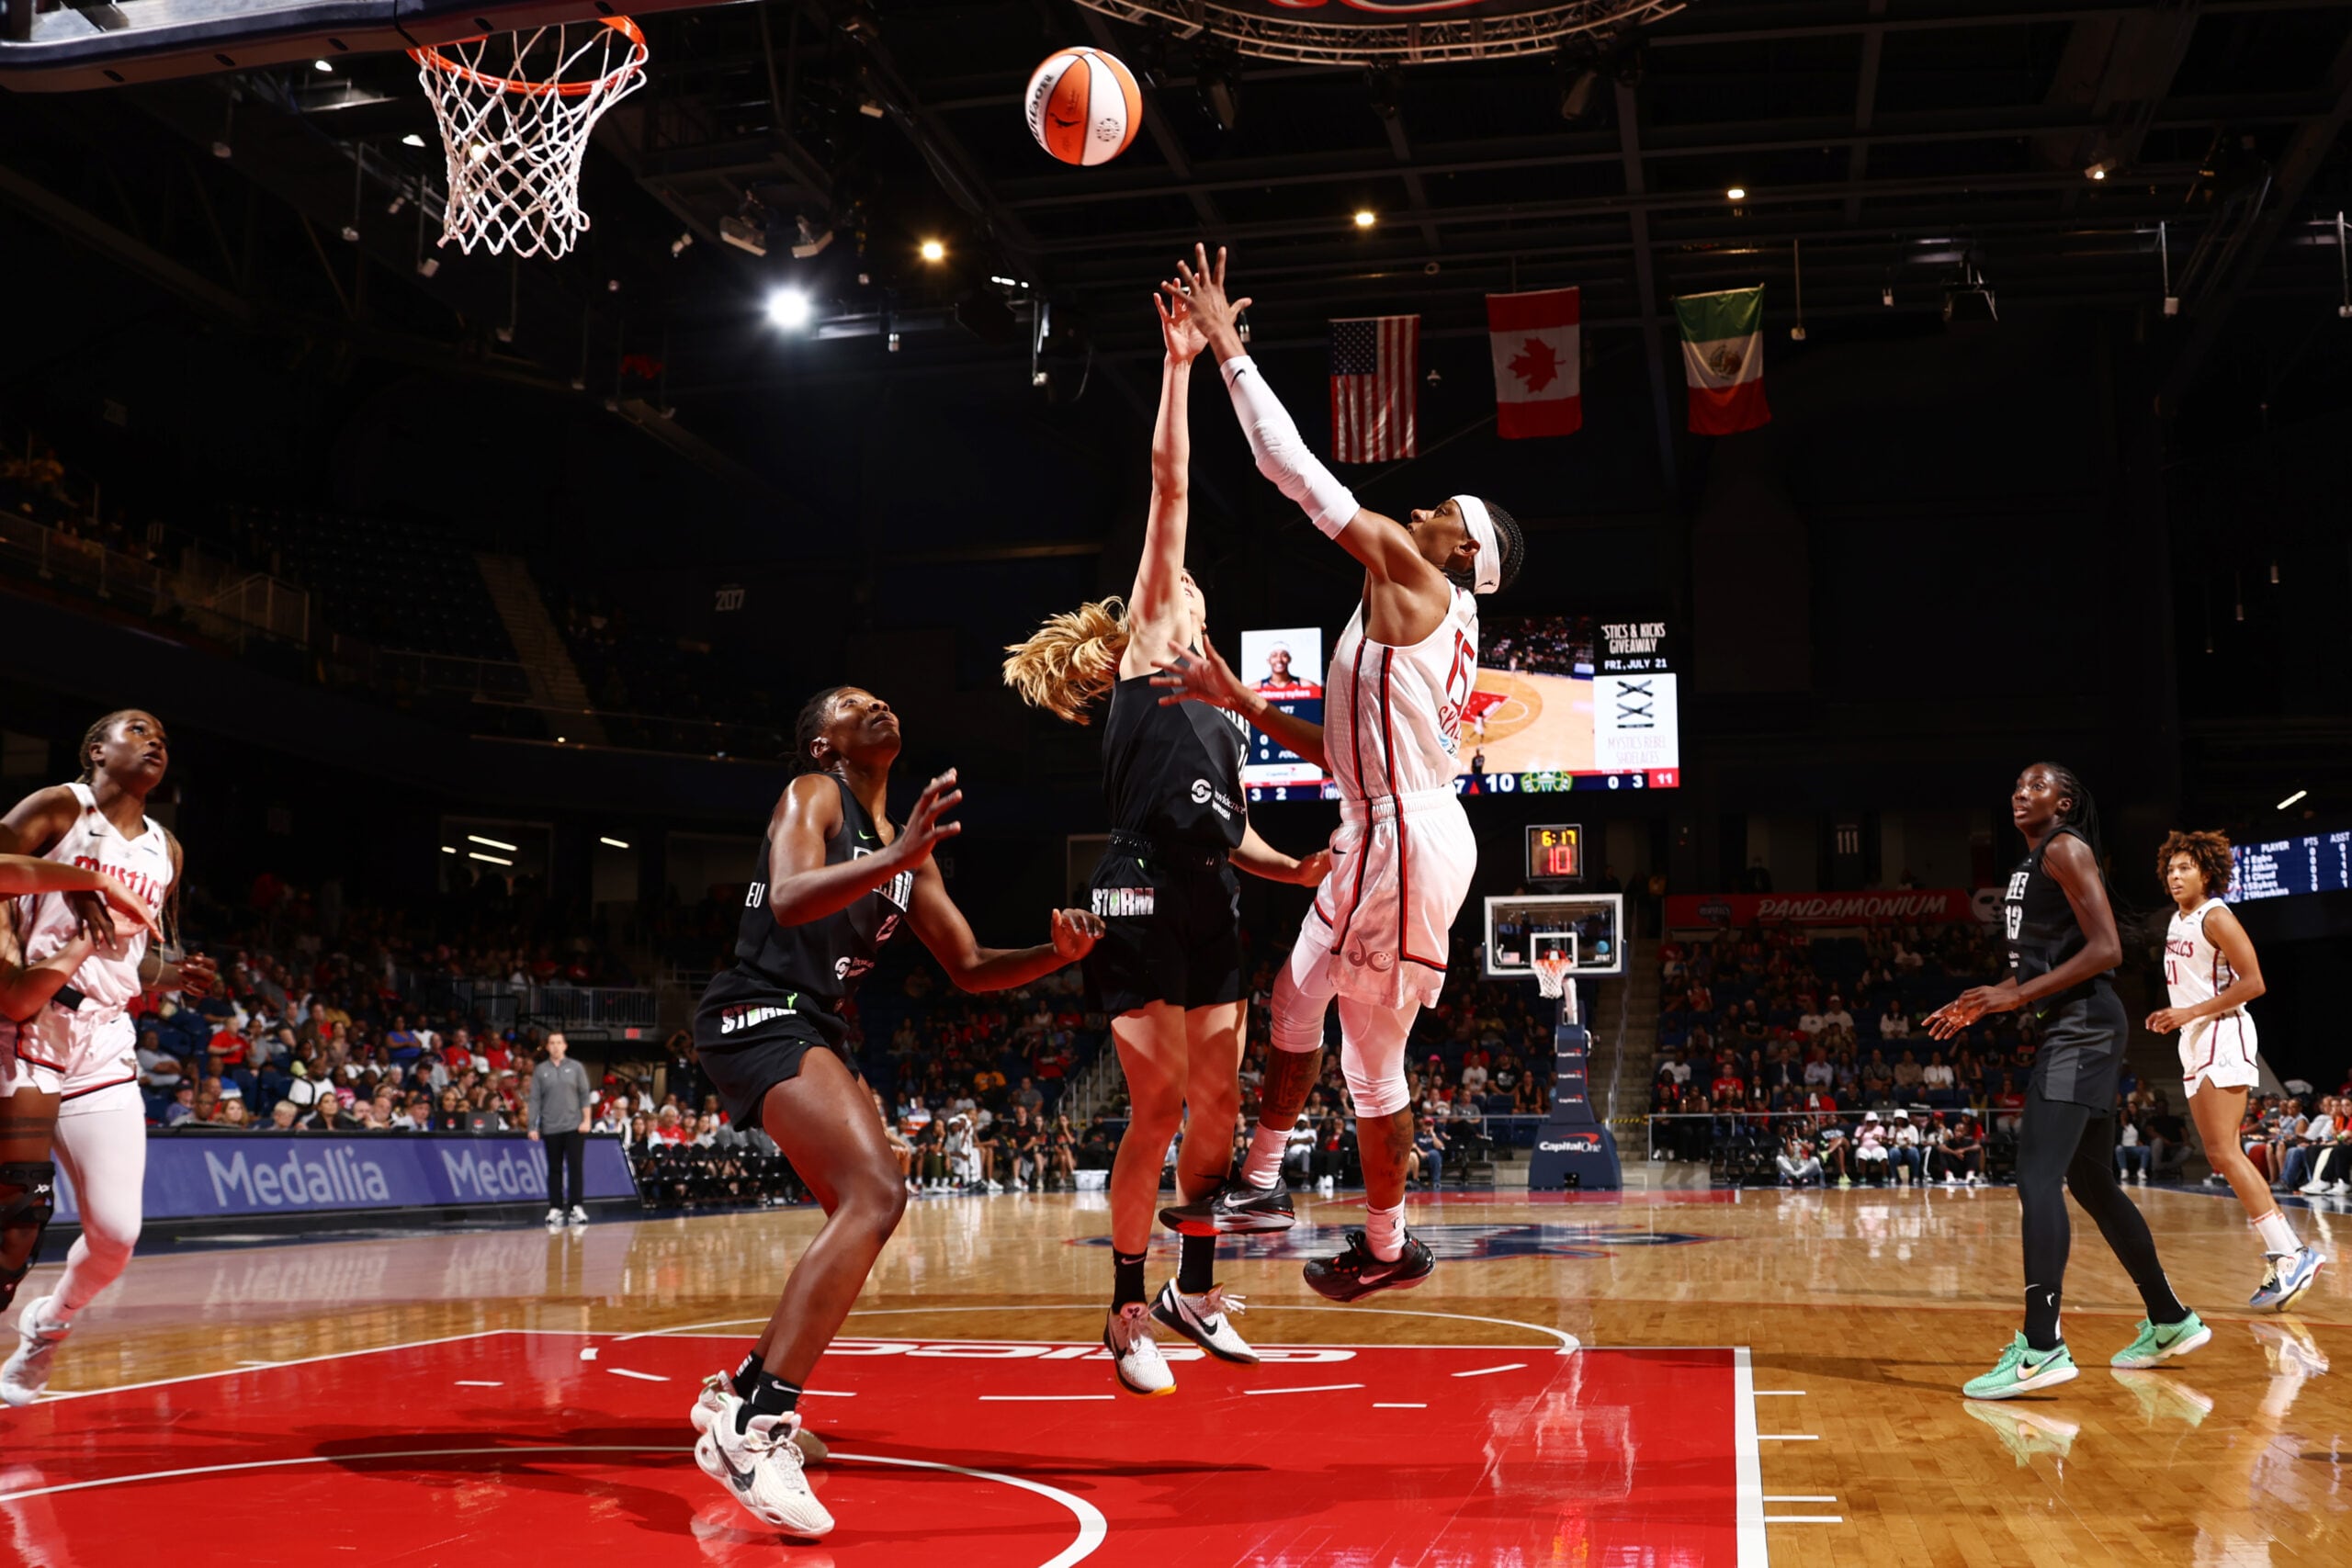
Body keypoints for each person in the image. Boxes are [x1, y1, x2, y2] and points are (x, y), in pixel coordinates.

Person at [1151, 245, 1524, 1304]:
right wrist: (1247, 706)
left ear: (1461, 552)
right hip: (1384, 821)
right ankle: (1271, 1183)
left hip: (1406, 836)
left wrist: (1225, 348)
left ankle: (1384, 1241)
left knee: (1367, 1055)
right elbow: (1351, 749)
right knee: (1294, 997)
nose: (1433, 509)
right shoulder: (1411, 613)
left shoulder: (1410, 576)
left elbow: (1293, 472)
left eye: (1451, 512)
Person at [1001, 282, 1325, 1395]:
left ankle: (1196, 1285)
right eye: (1178, 579)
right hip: (1135, 887)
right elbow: (1170, 484)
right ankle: (1125, 1309)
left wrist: (1301, 868)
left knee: (1222, 1108)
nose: (1189, 582)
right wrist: (1183, 364)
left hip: (1208, 892)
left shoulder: (1221, 713)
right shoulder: (1150, 645)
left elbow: (1236, 838)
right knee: (1154, 1107)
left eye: (1188, 582)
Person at [684, 685, 1102, 1538]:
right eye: (849, 704)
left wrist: (1052, 956)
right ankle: (753, 1430)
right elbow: (796, 894)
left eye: (879, 698)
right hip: (757, 1008)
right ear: (821, 746)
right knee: (877, 1194)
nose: (874, 706)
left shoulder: (906, 853)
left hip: (815, 1020)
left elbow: (974, 963)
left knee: (861, 1202)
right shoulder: (813, 796)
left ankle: (743, 1386)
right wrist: (899, 854)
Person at [1928, 763, 2205, 1400]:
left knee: (2036, 1175)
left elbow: (2107, 948)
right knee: (2088, 1178)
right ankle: (2168, 1317)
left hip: (2081, 1028)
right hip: (2079, 1024)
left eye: (2037, 783)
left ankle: (2042, 1346)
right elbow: (2056, 956)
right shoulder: (2033, 863)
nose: (2021, 790)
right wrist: (1996, 994)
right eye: (2018, 783)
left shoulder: (2067, 847)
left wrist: (2017, 994)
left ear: (2066, 800)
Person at [1, 710, 218, 1408]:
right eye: (137, 729)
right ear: (96, 748)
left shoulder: (166, 848)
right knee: (15, 1215)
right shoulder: (63, 806)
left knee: (119, 1236)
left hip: (105, 1042)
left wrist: (170, 973)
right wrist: (69, 877)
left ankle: (47, 1325)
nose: (156, 739)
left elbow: (127, 951)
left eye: (162, 733)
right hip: (31, 1021)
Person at [2145, 829, 2322, 1310]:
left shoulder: (2216, 915)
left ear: (2207, 872)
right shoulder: (2177, 920)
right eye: (2170, 868)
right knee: (2220, 1154)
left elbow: (2255, 982)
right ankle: (2289, 1252)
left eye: (2185, 867)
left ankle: (2290, 1253)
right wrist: (2176, 1015)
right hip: (2196, 1036)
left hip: (2224, 1032)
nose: (2175, 875)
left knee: (2225, 1151)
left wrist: (2189, 1012)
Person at [528, 1031, 594, 1230]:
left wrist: (587, 1120)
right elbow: (535, 1100)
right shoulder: (540, 1070)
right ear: (547, 1047)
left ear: (565, 1046)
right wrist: (532, 1126)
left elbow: (584, 1095)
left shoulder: (576, 1068)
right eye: (552, 1043)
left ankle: (576, 1206)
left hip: (574, 1126)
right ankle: (555, 1207)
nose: (556, 1046)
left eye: (559, 1043)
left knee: (575, 1167)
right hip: (550, 1127)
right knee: (554, 1169)